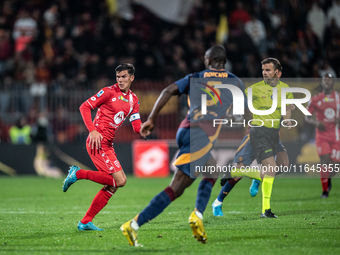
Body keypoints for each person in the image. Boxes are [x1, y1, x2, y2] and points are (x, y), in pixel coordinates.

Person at [120, 45, 249, 246]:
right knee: (177, 187)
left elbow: (168, 90)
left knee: (212, 170)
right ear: (223, 62)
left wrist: (152, 119)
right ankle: (133, 225)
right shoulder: (236, 82)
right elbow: (245, 113)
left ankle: (197, 215)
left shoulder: (195, 76)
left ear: (208, 60)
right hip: (200, 135)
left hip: (186, 130)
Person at [62, 63, 142, 230]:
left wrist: (146, 127)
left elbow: (136, 126)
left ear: (132, 78)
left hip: (108, 144)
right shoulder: (108, 92)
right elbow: (84, 106)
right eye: (118, 77)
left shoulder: (133, 100)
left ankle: (85, 222)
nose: (120, 80)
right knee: (120, 180)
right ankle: (78, 173)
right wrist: (92, 130)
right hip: (97, 142)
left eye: (124, 77)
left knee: (114, 184)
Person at [217, 58, 293, 218]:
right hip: (259, 132)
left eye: (268, 70)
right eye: (263, 70)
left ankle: (244, 173)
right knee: (270, 169)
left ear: (278, 73)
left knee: (284, 165)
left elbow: (286, 109)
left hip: (274, 134)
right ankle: (266, 210)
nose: (264, 73)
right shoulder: (255, 89)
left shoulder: (285, 89)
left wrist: (287, 119)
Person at [305, 73, 339, 198]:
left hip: (336, 135)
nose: (327, 82)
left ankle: (328, 179)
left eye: (329, 80)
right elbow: (307, 117)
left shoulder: (338, 98)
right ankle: (325, 191)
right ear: (322, 82)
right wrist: (316, 123)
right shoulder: (315, 99)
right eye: (325, 80)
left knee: (335, 166)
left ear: (333, 83)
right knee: (324, 161)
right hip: (322, 136)